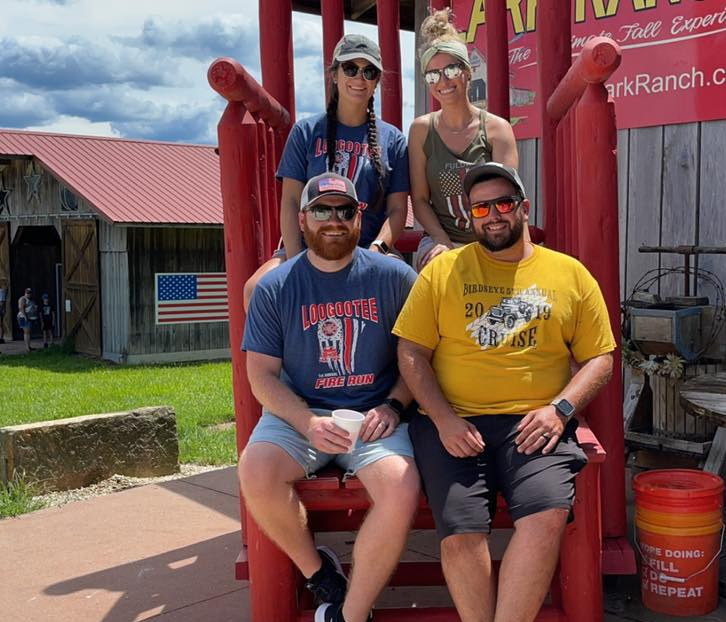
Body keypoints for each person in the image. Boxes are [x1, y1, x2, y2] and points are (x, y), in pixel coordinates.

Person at [393, 162, 615, 622]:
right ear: (470, 216)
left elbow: (601, 358)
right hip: (452, 421)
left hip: (536, 422)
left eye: (503, 203)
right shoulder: (442, 272)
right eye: (480, 208)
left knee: (547, 517)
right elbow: (411, 352)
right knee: (461, 530)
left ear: (523, 208)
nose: (492, 215)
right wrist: (443, 418)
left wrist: (560, 409)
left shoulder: (570, 274)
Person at [239, 172, 420, 622]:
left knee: (401, 489)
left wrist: (394, 404)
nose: (333, 220)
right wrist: (307, 423)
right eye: (321, 210)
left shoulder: (395, 276)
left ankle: (350, 614)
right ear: (302, 219)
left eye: (345, 210)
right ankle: (321, 573)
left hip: (374, 414)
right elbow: (260, 375)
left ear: (360, 218)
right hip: (301, 413)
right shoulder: (274, 287)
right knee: (256, 472)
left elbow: (419, 359)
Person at [243, 33, 410, 309]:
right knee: (255, 290)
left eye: (369, 71)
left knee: (410, 288)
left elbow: (397, 210)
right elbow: (292, 202)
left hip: (366, 246)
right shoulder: (306, 132)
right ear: (334, 74)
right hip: (311, 245)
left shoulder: (392, 139)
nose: (359, 78)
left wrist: (377, 249)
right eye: (350, 68)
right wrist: (299, 262)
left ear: (377, 81)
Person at [409, 9, 520, 271]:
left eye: (451, 69)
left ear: (468, 72)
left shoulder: (497, 129)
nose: (443, 80)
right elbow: (420, 199)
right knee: (437, 269)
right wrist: (442, 242)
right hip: (440, 241)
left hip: (492, 240)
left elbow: (509, 200)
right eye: (433, 74)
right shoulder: (421, 130)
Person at [17, 288, 37, 352]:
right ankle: (27, 348)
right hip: (23, 317)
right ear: (25, 293)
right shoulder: (23, 299)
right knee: (26, 332)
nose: (29, 294)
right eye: (27, 293)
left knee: (28, 332)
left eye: (30, 293)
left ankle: (28, 346)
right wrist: (25, 317)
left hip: (29, 317)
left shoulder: (31, 300)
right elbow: (21, 308)